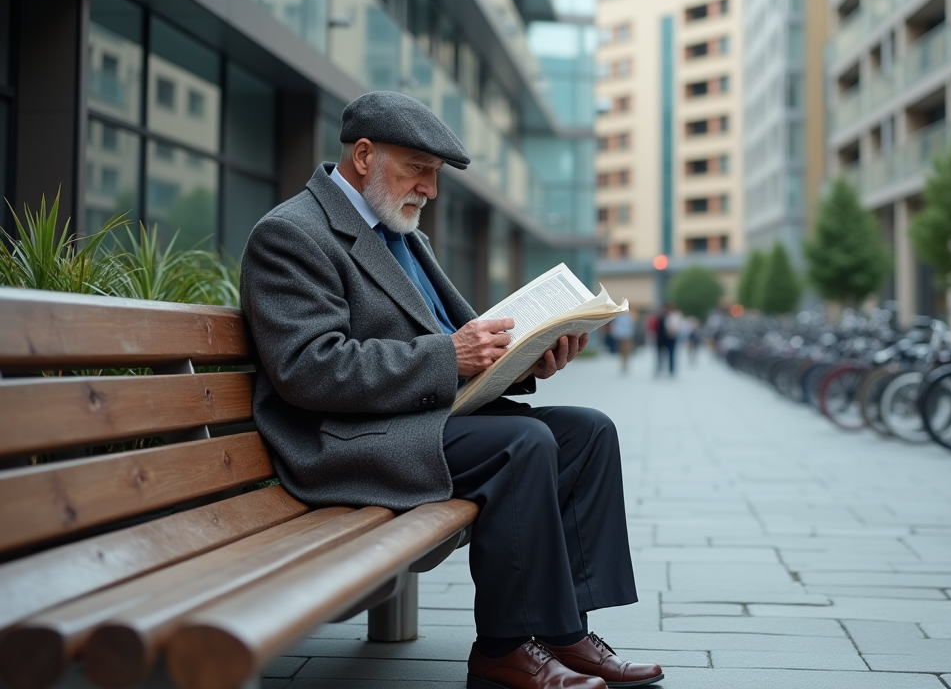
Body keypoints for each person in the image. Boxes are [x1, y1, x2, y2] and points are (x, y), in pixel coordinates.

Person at [239, 92, 663, 689]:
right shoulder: (291, 234)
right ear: (364, 156)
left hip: (421, 419)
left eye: (434, 176)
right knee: (521, 444)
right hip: (340, 442)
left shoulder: (406, 237)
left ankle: (566, 633)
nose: (429, 191)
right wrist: (450, 355)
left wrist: (528, 363)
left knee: (588, 431)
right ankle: (504, 648)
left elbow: (463, 342)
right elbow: (310, 368)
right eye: (418, 170)